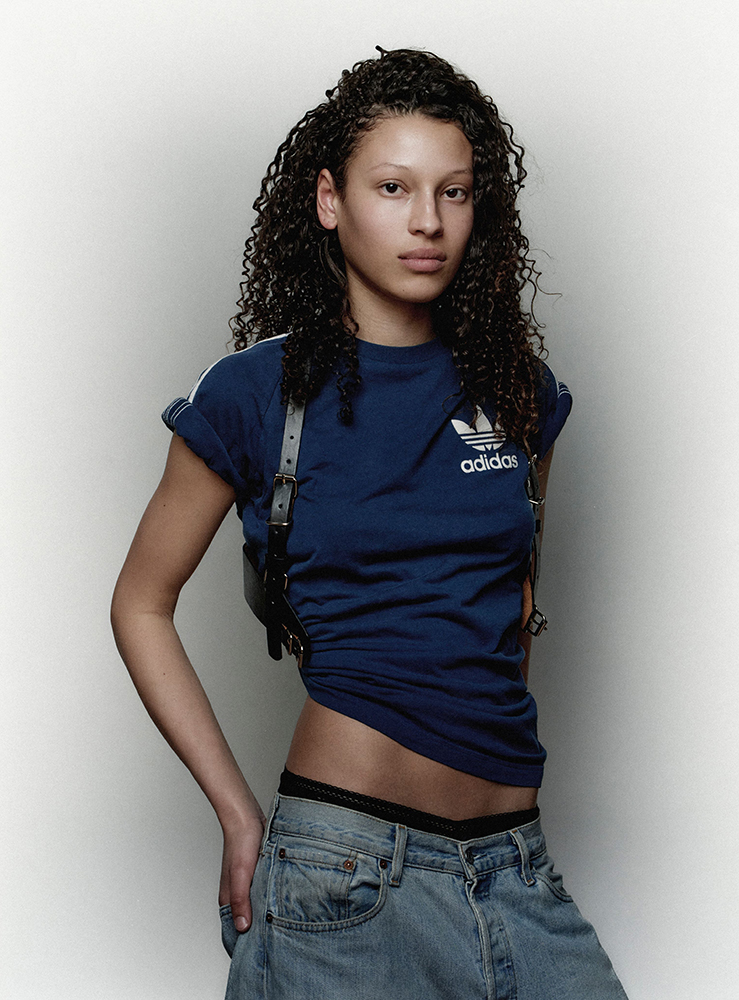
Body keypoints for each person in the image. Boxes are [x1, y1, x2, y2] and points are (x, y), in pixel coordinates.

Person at [112, 47, 627, 1000]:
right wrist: (236, 813)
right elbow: (140, 604)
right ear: (328, 200)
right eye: (393, 187)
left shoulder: (517, 391)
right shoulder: (256, 394)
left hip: (515, 864)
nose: (427, 221)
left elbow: (510, 601)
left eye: (454, 192)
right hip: (344, 874)